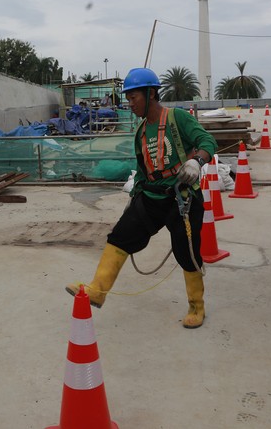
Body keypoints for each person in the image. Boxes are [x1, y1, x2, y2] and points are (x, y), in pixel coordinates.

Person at [66, 68, 218, 328]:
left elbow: (207, 141)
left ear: (150, 94)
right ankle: (98, 290)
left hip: (182, 199)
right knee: (120, 236)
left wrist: (196, 161)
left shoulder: (177, 118)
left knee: (187, 253)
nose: (130, 103)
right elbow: (144, 169)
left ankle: (196, 306)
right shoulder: (140, 133)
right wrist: (134, 194)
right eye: (128, 98)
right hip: (150, 197)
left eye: (134, 97)